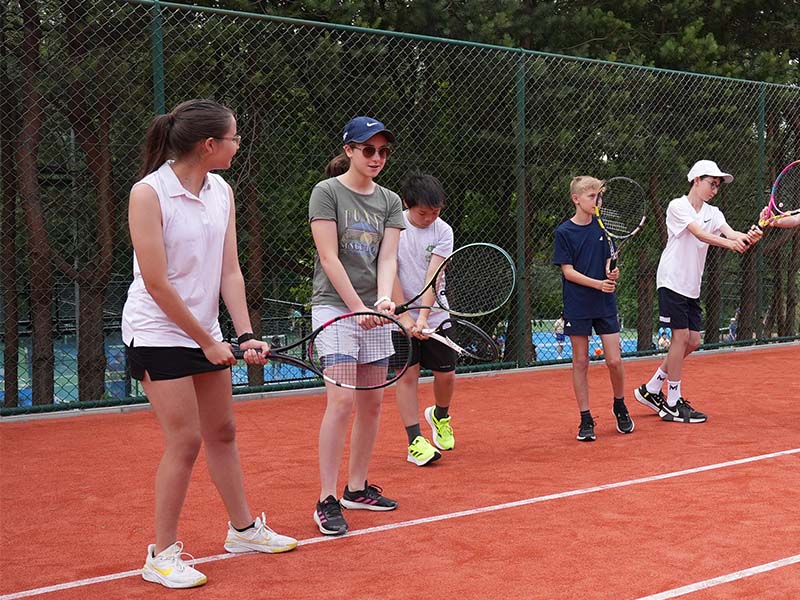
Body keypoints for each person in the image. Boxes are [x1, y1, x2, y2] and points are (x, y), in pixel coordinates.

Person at [123, 100, 297, 589]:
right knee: (186, 440)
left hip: (206, 332)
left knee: (223, 432)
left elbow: (229, 270)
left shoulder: (221, 190)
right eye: (234, 138)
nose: (238, 145)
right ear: (209, 145)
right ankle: (160, 554)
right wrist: (206, 341)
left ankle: (242, 530)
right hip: (157, 332)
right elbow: (156, 282)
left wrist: (241, 335)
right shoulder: (148, 193)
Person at [309, 116, 405, 535]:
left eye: (383, 151)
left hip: (372, 310)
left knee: (372, 401)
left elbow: (387, 258)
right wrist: (356, 308)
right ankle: (326, 497)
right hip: (334, 308)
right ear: (349, 150)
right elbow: (329, 258)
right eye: (369, 150)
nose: (377, 158)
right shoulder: (326, 192)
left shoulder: (391, 200)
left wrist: (383, 300)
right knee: (343, 401)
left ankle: (356, 487)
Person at [634, 160, 761, 423]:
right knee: (680, 337)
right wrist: (730, 244)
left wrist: (747, 237)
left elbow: (730, 233)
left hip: (691, 286)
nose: (715, 189)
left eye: (717, 185)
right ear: (696, 181)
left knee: (692, 341)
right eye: (711, 183)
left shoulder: (714, 213)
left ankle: (652, 388)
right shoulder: (677, 206)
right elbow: (700, 234)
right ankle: (672, 401)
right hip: (671, 280)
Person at [553, 176, 633, 442]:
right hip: (578, 304)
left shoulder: (604, 228)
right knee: (581, 361)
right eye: (592, 197)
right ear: (576, 199)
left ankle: (619, 405)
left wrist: (612, 274)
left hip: (605, 303)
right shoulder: (564, 232)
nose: (597, 202)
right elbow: (568, 272)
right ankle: (585, 418)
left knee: (614, 360)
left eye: (599, 197)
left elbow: (609, 263)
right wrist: (598, 284)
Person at [391, 172, 456, 466]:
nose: (430, 217)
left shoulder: (444, 231)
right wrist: (404, 315)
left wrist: (424, 318)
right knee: (408, 376)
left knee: (446, 375)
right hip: (397, 313)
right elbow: (388, 270)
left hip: (437, 314)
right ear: (407, 204)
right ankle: (415, 440)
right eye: (423, 213)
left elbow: (434, 276)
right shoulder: (393, 226)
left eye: (435, 212)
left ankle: (440, 416)